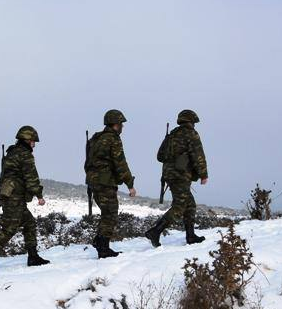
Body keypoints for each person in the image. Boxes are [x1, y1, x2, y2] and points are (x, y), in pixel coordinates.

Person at [0, 126, 50, 272]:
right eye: (33, 141)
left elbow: (4, 177)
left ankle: (33, 256)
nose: (34, 144)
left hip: (9, 195)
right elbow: (31, 177)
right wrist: (39, 195)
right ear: (27, 140)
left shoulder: (11, 153)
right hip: (14, 197)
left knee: (29, 223)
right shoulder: (25, 155)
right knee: (9, 229)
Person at [146, 109, 209, 247]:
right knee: (180, 206)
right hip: (181, 176)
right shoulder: (191, 134)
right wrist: (203, 174)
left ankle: (190, 235)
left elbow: (160, 156)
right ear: (192, 122)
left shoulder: (172, 135)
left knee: (190, 204)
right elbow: (198, 156)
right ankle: (155, 231)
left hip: (169, 175)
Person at [84, 110, 137, 258]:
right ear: (115, 124)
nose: (122, 127)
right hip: (105, 182)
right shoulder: (113, 139)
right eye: (121, 124)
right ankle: (103, 248)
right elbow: (120, 163)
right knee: (111, 214)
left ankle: (99, 241)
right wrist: (130, 184)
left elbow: (87, 163)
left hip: (93, 181)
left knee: (106, 213)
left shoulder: (95, 139)